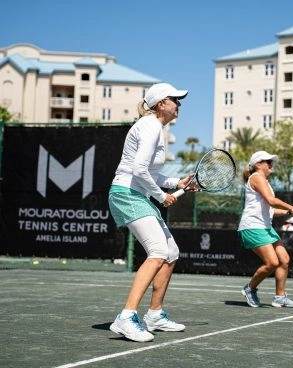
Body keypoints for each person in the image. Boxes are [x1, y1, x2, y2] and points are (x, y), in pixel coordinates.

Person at [108, 82, 195, 342]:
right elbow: (138, 170)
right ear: (161, 104)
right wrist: (162, 197)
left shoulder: (156, 129)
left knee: (171, 253)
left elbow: (152, 173)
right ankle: (126, 316)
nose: (179, 104)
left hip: (137, 194)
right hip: (127, 193)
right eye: (175, 100)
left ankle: (154, 314)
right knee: (158, 252)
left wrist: (177, 183)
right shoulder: (150, 126)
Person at [237, 151, 293, 308]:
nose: (271, 164)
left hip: (265, 227)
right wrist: (289, 207)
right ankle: (250, 288)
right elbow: (271, 201)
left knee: (284, 260)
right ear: (258, 165)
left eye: (271, 161)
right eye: (268, 161)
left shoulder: (265, 182)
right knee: (272, 262)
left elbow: (270, 209)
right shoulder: (256, 178)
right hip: (253, 227)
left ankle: (280, 297)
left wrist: (289, 210)